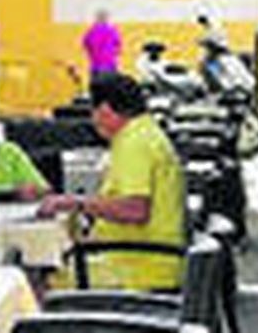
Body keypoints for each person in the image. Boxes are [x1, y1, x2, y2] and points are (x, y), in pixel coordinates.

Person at [39, 73, 185, 290]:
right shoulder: (145, 133)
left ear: (105, 110)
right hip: (143, 259)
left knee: (37, 279)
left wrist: (76, 203)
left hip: (136, 268)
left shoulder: (134, 144)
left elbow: (135, 210)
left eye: (94, 112)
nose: (94, 121)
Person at [82, 9, 122, 76]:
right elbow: (118, 46)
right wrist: (114, 55)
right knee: (111, 85)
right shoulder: (112, 30)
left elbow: (85, 43)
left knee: (96, 85)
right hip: (110, 64)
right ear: (107, 18)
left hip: (96, 65)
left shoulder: (92, 31)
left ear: (97, 19)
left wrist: (90, 54)